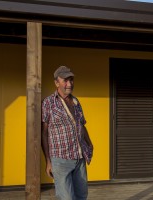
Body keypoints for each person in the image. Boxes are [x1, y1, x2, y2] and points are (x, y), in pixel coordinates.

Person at [41, 66, 93, 200]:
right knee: (66, 198)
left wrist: (90, 144)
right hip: (60, 159)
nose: (69, 84)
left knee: (82, 195)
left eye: (71, 80)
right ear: (56, 83)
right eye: (65, 80)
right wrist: (48, 160)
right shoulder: (48, 103)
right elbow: (44, 133)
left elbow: (81, 124)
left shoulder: (76, 102)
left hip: (79, 157)